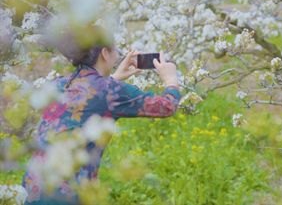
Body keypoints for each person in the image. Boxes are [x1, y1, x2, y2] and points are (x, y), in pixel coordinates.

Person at [22, 31, 181, 205]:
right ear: (105, 53)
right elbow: (166, 106)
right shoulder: (110, 90)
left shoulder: (57, 84)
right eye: (115, 51)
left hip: (33, 187)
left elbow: (89, 98)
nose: (118, 55)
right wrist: (170, 79)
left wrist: (114, 78)